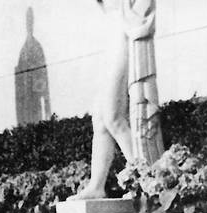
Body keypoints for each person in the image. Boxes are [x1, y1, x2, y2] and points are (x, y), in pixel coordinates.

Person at [70, 0, 165, 200]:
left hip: (125, 32)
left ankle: (146, 179)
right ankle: (97, 186)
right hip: (109, 33)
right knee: (100, 119)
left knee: (113, 117)